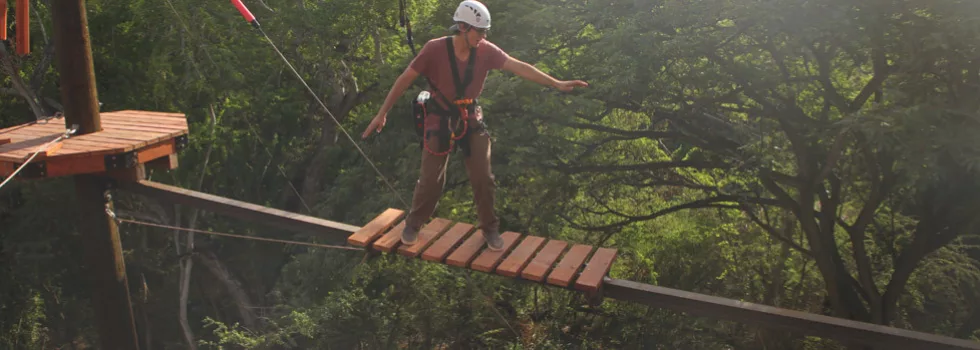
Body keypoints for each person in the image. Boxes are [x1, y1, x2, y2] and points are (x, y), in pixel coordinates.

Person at [360, 0, 588, 251]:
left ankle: (490, 228)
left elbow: (518, 67)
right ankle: (413, 223)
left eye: (485, 32)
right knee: (431, 179)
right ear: (462, 27)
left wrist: (555, 83)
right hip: (439, 116)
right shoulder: (434, 49)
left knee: (483, 176)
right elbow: (405, 79)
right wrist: (382, 114)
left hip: (470, 117)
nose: (483, 36)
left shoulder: (486, 51)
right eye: (479, 31)